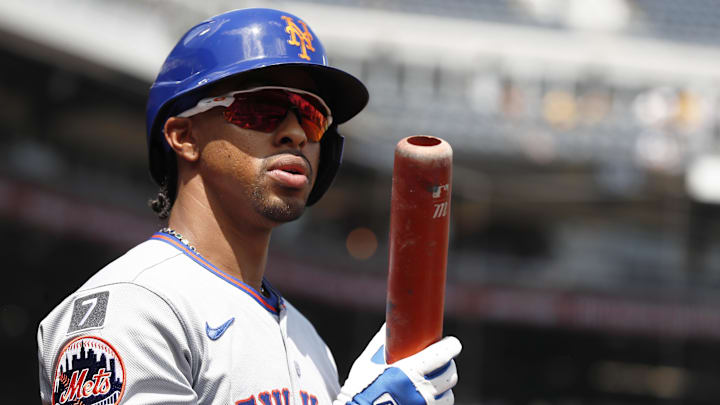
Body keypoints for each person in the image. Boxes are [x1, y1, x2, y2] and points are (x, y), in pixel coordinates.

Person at [37, 8, 461, 405]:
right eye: (262, 110)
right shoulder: (134, 305)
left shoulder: (309, 342)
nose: (295, 133)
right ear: (184, 136)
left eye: (312, 116)